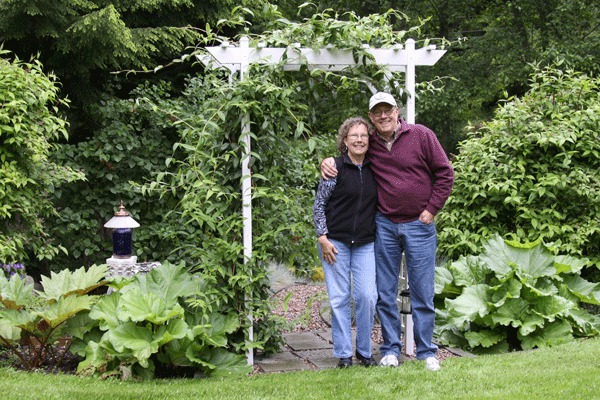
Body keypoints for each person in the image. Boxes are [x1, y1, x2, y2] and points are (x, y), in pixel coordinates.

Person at [321, 92, 454, 371]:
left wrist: (431, 209)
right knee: (385, 292)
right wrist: (327, 162)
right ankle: (391, 349)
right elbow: (349, 152)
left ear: (397, 111)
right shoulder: (371, 144)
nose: (383, 116)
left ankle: (427, 351)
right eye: (377, 112)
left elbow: (445, 173)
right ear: (371, 117)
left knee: (422, 291)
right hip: (385, 225)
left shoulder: (421, 135)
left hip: (420, 224)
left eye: (387, 110)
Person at [313, 117, 378, 368]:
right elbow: (319, 205)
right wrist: (323, 238)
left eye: (363, 135)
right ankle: (343, 354)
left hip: (365, 243)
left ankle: (364, 350)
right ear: (345, 141)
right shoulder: (334, 169)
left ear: (369, 140)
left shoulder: (376, 168)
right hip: (335, 243)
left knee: (367, 296)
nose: (359, 140)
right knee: (339, 298)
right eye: (354, 136)